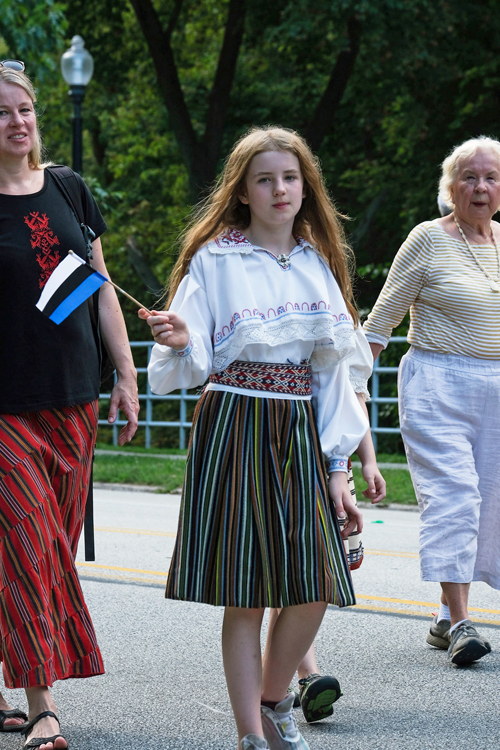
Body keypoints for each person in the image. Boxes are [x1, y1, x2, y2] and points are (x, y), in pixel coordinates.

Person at [140, 125, 369, 750]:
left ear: (305, 186)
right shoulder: (216, 259)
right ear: (242, 191)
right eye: (264, 179)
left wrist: (338, 466)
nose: (279, 189)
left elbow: (335, 377)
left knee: (317, 582)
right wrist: (185, 344)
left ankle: (273, 702)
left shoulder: (319, 264)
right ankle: (249, 733)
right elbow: (184, 367)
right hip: (236, 424)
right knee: (245, 593)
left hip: (298, 429)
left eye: (289, 178)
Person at [0, 61, 139, 748]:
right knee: (31, 548)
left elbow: (101, 286)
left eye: (24, 108)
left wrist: (125, 374)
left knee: (42, 551)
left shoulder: (69, 189)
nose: (17, 121)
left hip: (74, 398)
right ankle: (42, 703)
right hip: (5, 410)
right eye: (2, 112)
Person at [363, 136, 500, 666]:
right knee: (454, 497)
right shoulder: (426, 239)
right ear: (451, 186)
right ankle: (464, 623)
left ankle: (445, 614)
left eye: (490, 177)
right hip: (437, 382)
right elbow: (381, 323)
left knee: (487, 507)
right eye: (469, 177)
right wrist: (347, 391)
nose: (481, 186)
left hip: (495, 388)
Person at [265, 328, 386, 724]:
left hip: (334, 465)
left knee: (311, 575)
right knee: (288, 574)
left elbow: (354, 399)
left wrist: (367, 461)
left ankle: (282, 682)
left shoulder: (345, 324)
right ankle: (304, 676)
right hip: (283, 451)